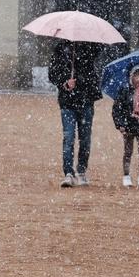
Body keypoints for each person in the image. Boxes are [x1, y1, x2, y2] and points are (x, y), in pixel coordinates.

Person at [48, 40, 102, 187]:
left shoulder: (91, 46)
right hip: (68, 102)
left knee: (85, 139)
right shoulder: (60, 48)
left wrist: (81, 80)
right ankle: (68, 173)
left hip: (86, 100)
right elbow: (52, 73)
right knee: (69, 138)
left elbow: (93, 72)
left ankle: (81, 171)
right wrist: (65, 82)